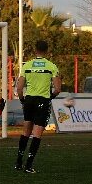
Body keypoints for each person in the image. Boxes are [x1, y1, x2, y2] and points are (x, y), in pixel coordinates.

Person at [14, 40, 61, 174]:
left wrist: (23, 100)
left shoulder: (27, 65)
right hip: (42, 100)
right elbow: (58, 89)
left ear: (35, 50)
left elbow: (19, 87)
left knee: (25, 132)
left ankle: (18, 162)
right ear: (47, 51)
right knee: (37, 134)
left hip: (29, 101)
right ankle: (28, 166)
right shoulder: (51, 66)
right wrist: (50, 98)